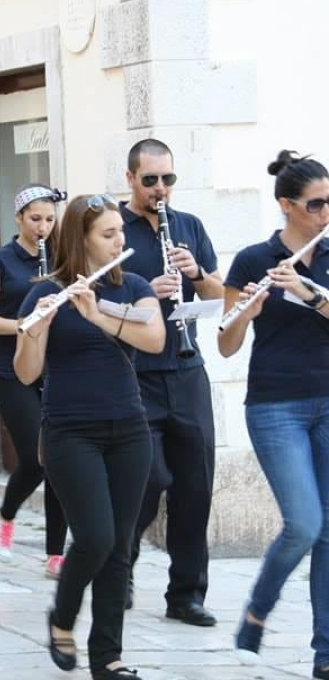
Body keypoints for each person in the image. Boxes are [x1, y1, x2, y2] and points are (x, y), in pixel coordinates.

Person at [14, 194, 164, 680]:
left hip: (129, 430)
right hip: (69, 431)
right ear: (81, 240)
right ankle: (62, 616)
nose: (121, 240)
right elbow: (25, 373)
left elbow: (154, 339)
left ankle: (108, 657)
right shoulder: (45, 292)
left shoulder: (136, 287)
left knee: (119, 546)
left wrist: (98, 313)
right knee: (96, 537)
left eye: (121, 231)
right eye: (109, 234)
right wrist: (36, 329)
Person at [219, 151, 329, 678]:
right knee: (305, 524)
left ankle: (326, 653)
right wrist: (248, 313)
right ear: (287, 205)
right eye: (316, 203)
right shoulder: (252, 259)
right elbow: (225, 343)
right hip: (276, 405)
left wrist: (309, 294)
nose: (326, 211)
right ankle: (258, 610)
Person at [121, 139, 222, 623]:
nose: (161, 189)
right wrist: (144, 291)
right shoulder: (111, 229)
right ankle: (120, 566)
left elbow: (219, 292)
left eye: (168, 179)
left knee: (196, 484)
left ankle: (186, 594)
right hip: (135, 372)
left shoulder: (188, 227)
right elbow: (96, 296)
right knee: (147, 478)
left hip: (186, 368)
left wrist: (195, 271)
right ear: (130, 180)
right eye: (150, 180)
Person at [0, 184, 68, 576]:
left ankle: (55, 553)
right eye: (35, 219)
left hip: (55, 366)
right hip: (11, 367)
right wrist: (23, 324)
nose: (43, 227)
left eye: (49, 219)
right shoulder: (0, 259)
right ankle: (7, 513)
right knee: (34, 457)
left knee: (60, 458)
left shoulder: (62, 258)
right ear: (18, 219)